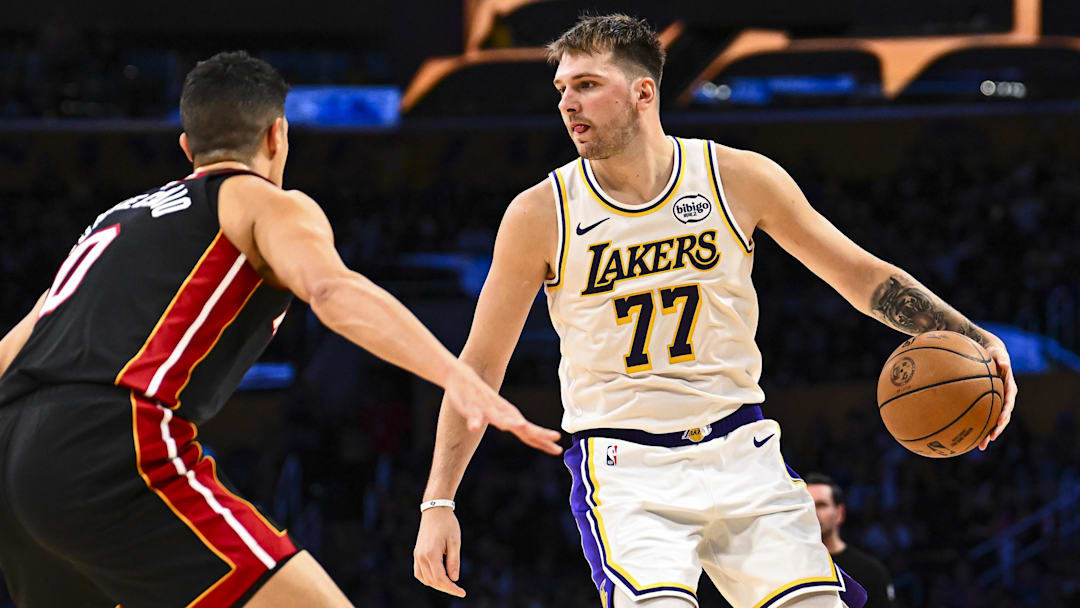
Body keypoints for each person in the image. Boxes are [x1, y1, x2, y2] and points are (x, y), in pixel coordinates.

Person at [412, 13, 1017, 608]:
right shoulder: (540, 213)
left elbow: (859, 275)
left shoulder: (736, 178)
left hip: (743, 450)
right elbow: (479, 366)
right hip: (627, 468)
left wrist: (969, 335)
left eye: (588, 85)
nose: (568, 103)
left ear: (643, 91)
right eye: (562, 89)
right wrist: (438, 501)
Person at [0, 51, 560, 608]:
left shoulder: (114, 220)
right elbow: (331, 291)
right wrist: (455, 377)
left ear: (186, 147)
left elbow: (14, 348)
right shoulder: (261, 200)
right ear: (277, 135)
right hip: (110, 442)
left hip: (14, 453)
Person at [806, 474, 897, 607]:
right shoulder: (789, 567)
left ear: (840, 513)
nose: (813, 512)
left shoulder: (871, 572)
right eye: (808, 505)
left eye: (821, 505)